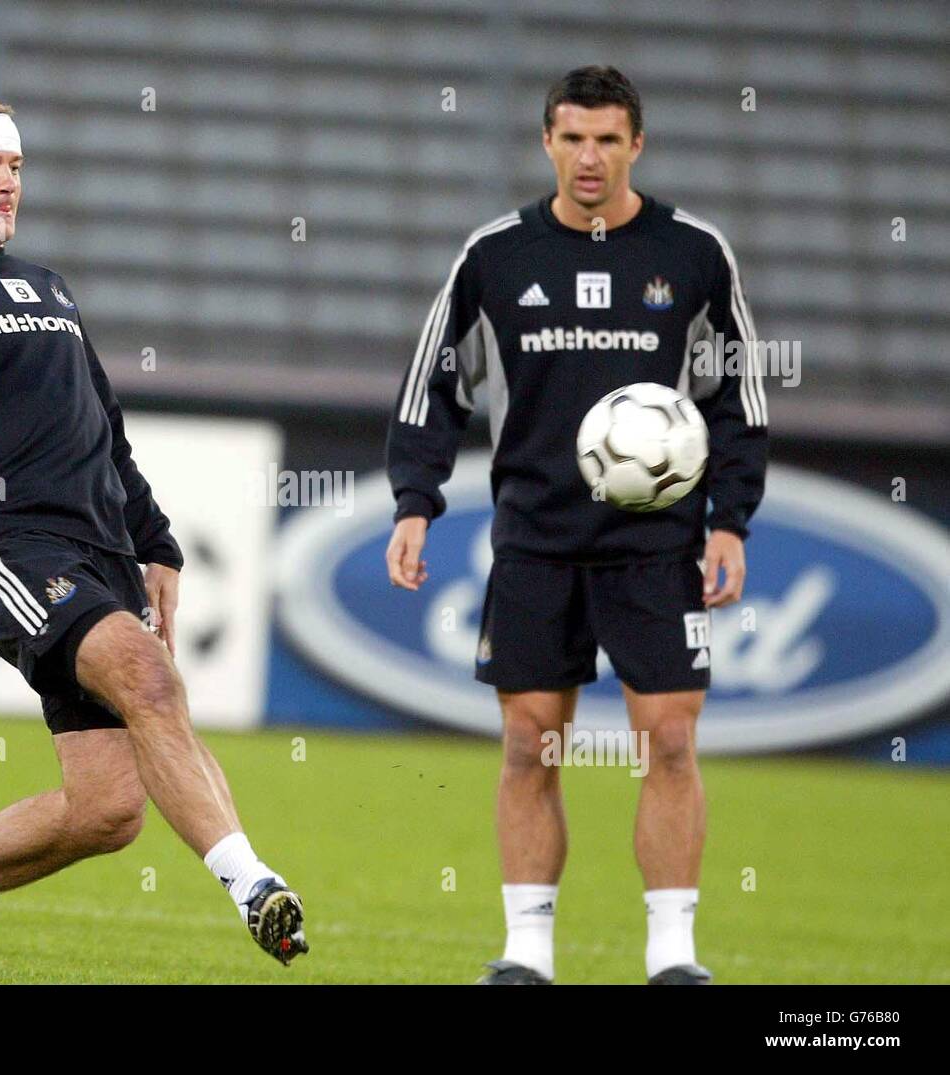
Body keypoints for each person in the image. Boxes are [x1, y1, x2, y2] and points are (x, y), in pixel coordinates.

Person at [0, 94, 306, 984]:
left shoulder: (47, 285)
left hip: (102, 550)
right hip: (2, 545)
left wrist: (156, 541)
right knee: (151, 678)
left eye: (16, 168)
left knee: (109, 811)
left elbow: (104, 427)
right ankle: (254, 884)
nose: (8, 183)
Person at [385, 66, 767, 984]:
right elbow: (432, 386)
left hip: (656, 543)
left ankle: (674, 956)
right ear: (546, 142)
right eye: (572, 138)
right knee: (530, 741)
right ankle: (527, 954)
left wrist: (732, 520)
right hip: (536, 537)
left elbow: (737, 398)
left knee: (669, 739)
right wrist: (414, 501)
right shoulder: (496, 256)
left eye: (607, 139)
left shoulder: (694, 255)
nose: (588, 157)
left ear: (637, 144)